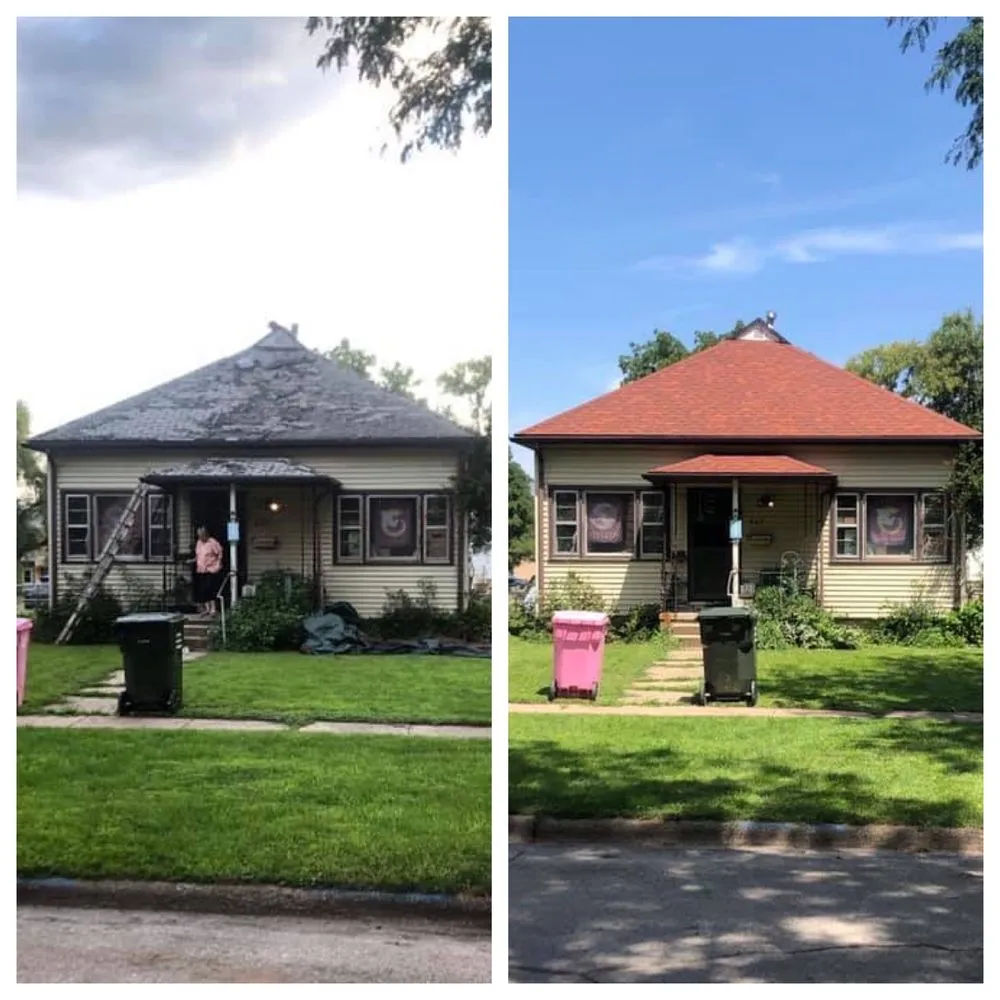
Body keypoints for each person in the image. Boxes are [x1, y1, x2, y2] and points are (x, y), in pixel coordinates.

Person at [193, 526, 224, 614]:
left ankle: (213, 609)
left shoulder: (213, 542)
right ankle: (207, 609)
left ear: (205, 534)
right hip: (201, 570)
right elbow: (198, 555)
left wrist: (217, 566)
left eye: (201, 535)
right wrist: (193, 560)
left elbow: (220, 554)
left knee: (210, 588)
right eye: (198, 535)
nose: (200, 537)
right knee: (203, 590)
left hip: (211, 569)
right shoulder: (199, 543)